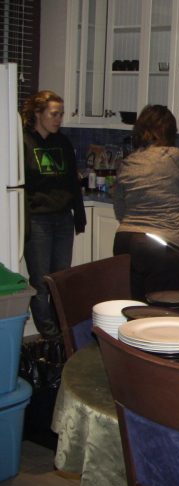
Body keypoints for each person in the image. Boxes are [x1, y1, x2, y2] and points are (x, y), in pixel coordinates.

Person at [21, 90, 86, 339]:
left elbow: (72, 182)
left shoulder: (63, 143)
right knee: (40, 281)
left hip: (62, 218)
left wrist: (78, 215)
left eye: (61, 114)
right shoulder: (24, 142)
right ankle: (48, 334)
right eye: (54, 114)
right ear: (38, 113)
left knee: (60, 280)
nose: (59, 119)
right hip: (37, 219)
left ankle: (61, 331)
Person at [112, 105, 179, 302]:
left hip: (125, 241)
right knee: (162, 313)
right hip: (161, 244)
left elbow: (119, 206)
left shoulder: (129, 162)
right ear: (171, 131)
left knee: (133, 308)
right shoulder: (178, 157)